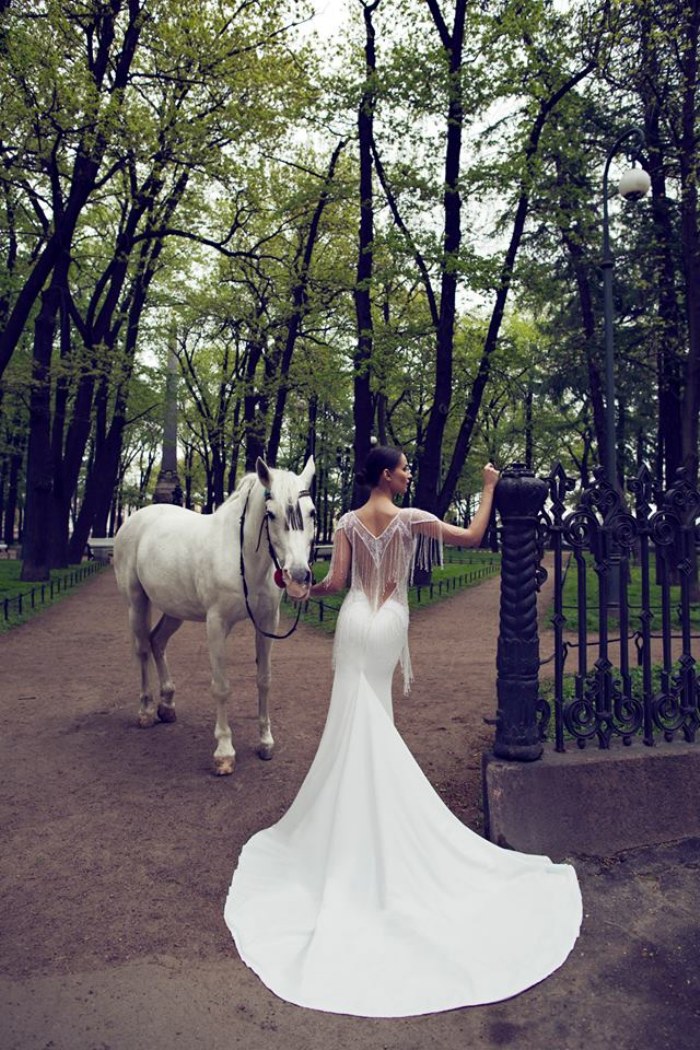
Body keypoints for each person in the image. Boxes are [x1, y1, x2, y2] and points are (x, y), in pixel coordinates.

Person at [224, 447, 582, 1018]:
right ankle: (380, 812)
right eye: (405, 467)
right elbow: (471, 536)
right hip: (388, 621)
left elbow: (337, 583)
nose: (411, 472)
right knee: (374, 715)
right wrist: (489, 487)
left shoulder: (344, 523)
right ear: (387, 475)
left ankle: (355, 814)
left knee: (352, 716)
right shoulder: (412, 519)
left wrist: (303, 592)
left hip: (353, 620)